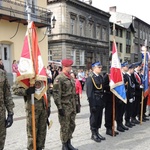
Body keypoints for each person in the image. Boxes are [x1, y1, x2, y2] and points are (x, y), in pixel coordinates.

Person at [12, 81, 51, 150]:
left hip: (43, 109)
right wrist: (26, 91)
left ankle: (40, 148)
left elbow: (46, 91)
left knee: (42, 132)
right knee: (32, 133)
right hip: (32, 109)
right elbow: (15, 89)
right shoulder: (27, 74)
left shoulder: (42, 74)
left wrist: (49, 106)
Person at [53, 59, 78, 150]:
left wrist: (77, 105)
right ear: (64, 67)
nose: (70, 68)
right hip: (64, 106)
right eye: (69, 66)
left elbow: (74, 93)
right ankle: (64, 145)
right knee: (64, 126)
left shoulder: (70, 78)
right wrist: (59, 108)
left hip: (72, 106)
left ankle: (69, 142)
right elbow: (56, 95)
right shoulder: (59, 78)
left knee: (72, 125)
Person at [86, 61, 105, 143]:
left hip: (100, 99)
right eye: (99, 67)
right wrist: (92, 104)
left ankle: (97, 131)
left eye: (101, 67)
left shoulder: (100, 77)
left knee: (99, 117)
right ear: (94, 68)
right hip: (94, 100)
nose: (101, 68)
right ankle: (93, 133)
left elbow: (102, 88)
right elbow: (89, 92)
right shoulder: (91, 78)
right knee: (94, 117)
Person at [0, 65, 15, 150]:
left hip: (1, 115)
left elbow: (7, 94)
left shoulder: (2, 74)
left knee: (1, 140)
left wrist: (10, 113)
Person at [103, 72, 119, 136]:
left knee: (114, 113)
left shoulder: (117, 77)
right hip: (109, 98)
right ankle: (108, 128)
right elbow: (104, 86)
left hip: (115, 98)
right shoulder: (107, 76)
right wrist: (111, 86)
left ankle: (112, 127)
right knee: (108, 113)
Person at [116, 61, 129, 132]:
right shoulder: (119, 75)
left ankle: (121, 124)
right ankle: (118, 125)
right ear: (122, 67)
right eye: (126, 66)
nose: (127, 67)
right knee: (119, 111)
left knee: (123, 110)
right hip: (120, 97)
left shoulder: (126, 75)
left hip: (125, 95)